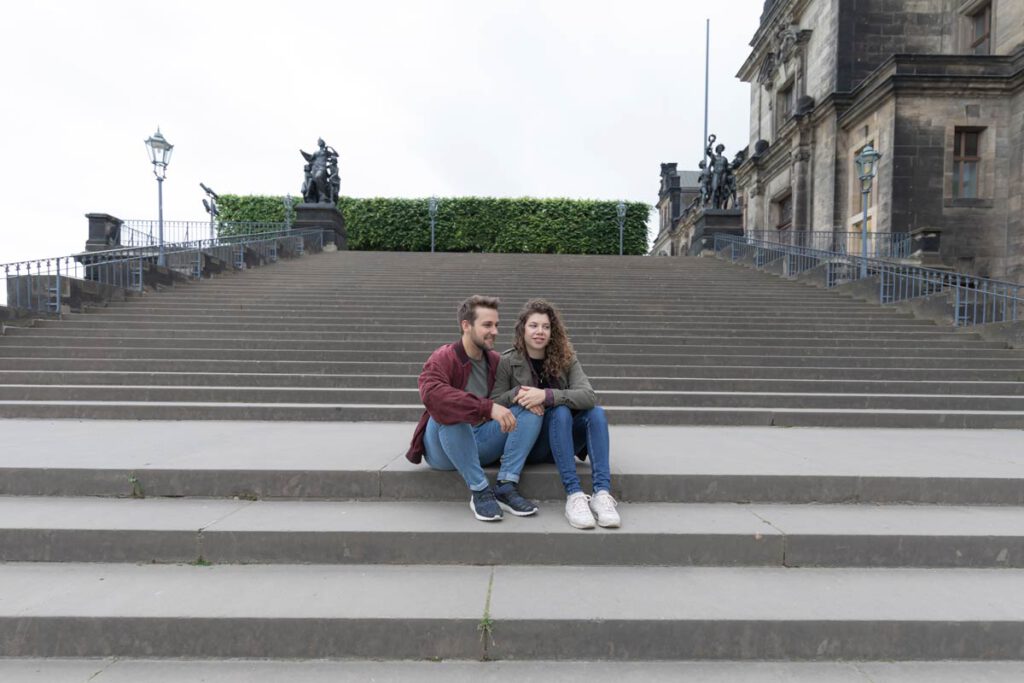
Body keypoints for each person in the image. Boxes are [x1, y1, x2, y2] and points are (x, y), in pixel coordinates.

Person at [406, 295, 543, 522]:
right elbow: (432, 394)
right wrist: (487, 407)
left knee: (530, 404)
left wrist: (523, 397)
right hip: (443, 448)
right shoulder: (444, 357)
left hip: (482, 440)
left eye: (497, 325)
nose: (495, 331)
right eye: (487, 325)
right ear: (466, 326)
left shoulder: (497, 361)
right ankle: (480, 490)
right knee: (448, 409)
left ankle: (506, 485)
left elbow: (515, 393)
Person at [491, 299, 620, 530]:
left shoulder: (566, 358)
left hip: (565, 439)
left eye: (546, 326)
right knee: (560, 411)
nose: (540, 331)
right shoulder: (507, 361)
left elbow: (588, 396)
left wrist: (547, 396)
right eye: (533, 325)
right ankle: (574, 494)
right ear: (523, 329)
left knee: (596, 414)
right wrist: (516, 394)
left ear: (553, 331)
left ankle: (602, 493)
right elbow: (493, 403)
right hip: (534, 441)